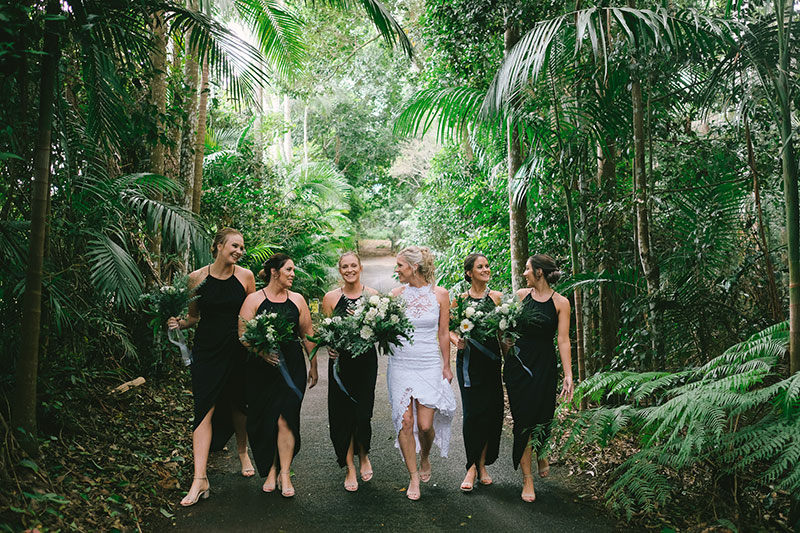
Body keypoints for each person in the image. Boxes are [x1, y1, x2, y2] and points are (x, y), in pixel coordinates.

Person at [167, 228, 256, 507]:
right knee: (203, 408)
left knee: (238, 405)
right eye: (234, 245)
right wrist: (177, 323)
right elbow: (193, 318)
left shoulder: (245, 277)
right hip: (206, 352)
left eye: (242, 247)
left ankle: (242, 452)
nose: (239, 251)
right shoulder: (196, 278)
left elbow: (252, 315)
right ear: (218, 246)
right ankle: (200, 478)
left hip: (237, 349)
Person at [238, 254, 318, 498]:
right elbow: (242, 334)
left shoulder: (297, 300)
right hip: (261, 370)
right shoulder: (254, 300)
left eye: (293, 270)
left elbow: (307, 334)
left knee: (286, 419)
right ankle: (270, 469)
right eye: (289, 269)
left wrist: (313, 365)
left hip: (291, 367)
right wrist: (261, 352)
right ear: (274, 271)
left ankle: (284, 472)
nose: (293, 274)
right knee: (267, 421)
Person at [388, 246, 456, 501]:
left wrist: (446, 365)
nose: (397, 271)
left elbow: (442, 332)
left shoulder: (440, 295)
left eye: (400, 266)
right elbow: (387, 329)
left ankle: (425, 455)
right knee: (405, 422)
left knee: (426, 426)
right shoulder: (395, 295)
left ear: (414, 266)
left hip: (428, 362)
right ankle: (413, 476)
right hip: (401, 363)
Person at [506, 254, 574, 503]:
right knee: (524, 420)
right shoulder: (520, 297)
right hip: (520, 367)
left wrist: (568, 375)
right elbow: (508, 330)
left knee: (543, 416)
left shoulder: (561, 302)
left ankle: (541, 452)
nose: (524, 273)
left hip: (544, 366)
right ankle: (527, 479)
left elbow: (563, 340)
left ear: (540, 273)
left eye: (527, 269)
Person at [321, 252, 379, 492]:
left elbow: (379, 332)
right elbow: (327, 332)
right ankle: (349, 467)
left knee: (363, 413)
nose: (349, 269)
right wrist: (330, 346)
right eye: (345, 266)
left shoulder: (373, 296)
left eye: (353, 265)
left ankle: (364, 454)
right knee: (342, 415)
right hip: (341, 365)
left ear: (360, 267)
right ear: (339, 270)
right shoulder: (330, 298)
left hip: (365, 362)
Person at [449, 253, 504, 493]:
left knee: (491, 413)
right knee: (472, 414)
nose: (485, 269)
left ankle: (482, 466)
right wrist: (456, 340)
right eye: (480, 267)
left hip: (491, 363)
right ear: (469, 273)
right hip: (469, 365)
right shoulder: (460, 300)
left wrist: (509, 351)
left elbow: (504, 332)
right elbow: (449, 328)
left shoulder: (498, 298)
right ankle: (470, 466)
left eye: (487, 266)